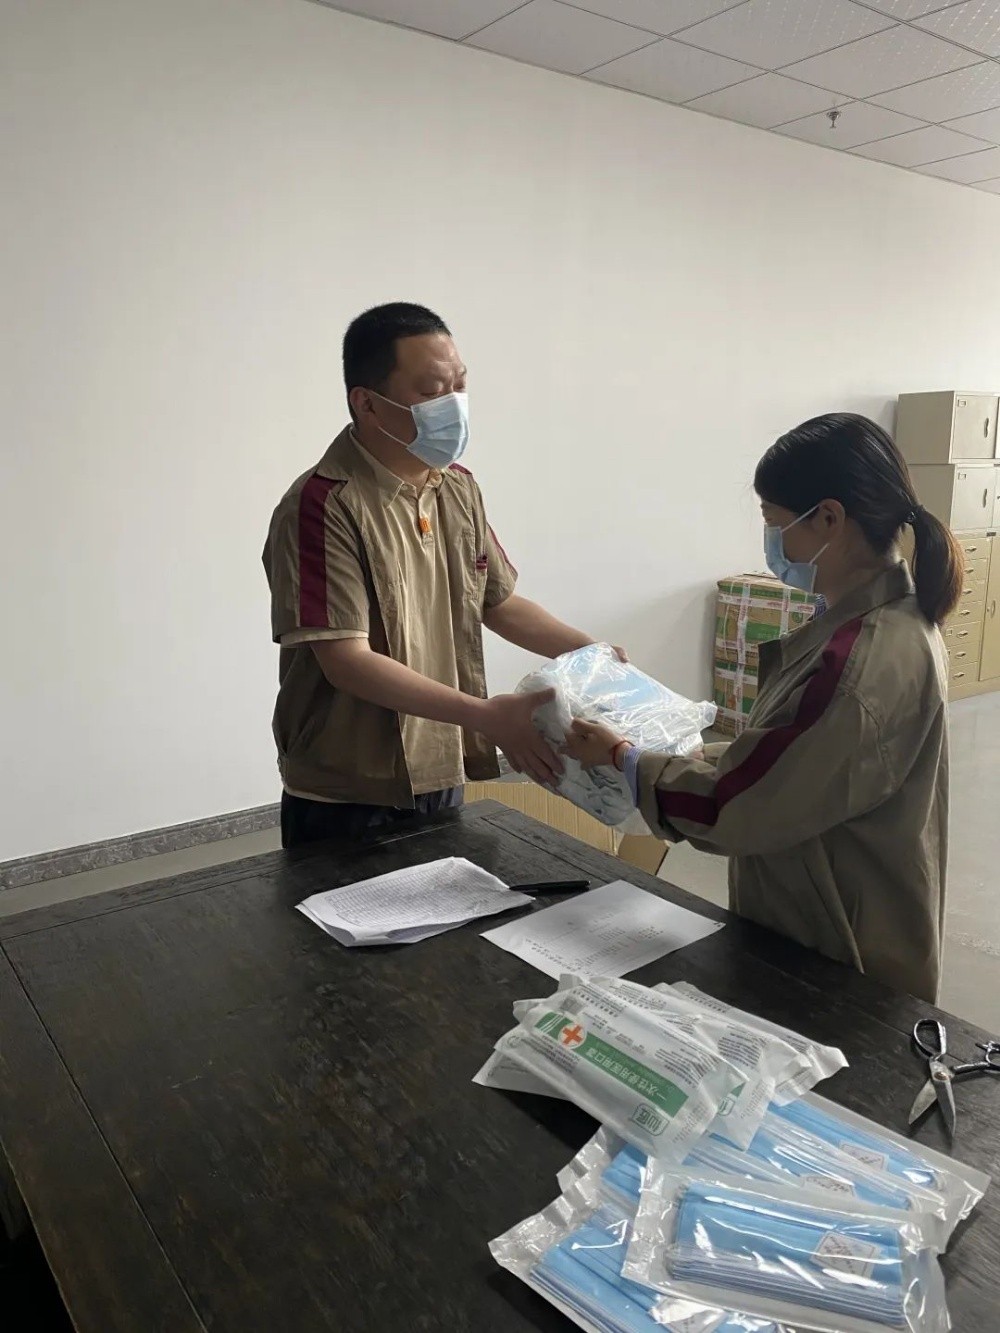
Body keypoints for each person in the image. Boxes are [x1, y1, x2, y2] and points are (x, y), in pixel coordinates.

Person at [567, 413, 963, 1003]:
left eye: (776, 524)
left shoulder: (858, 660)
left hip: (837, 947)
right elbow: (798, 749)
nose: (773, 544)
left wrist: (625, 758)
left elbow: (739, 807)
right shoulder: (888, 622)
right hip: (835, 897)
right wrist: (706, 753)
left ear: (829, 518)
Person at [263, 302, 622, 849]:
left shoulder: (456, 487)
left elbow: (498, 603)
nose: (453, 405)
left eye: (459, 385)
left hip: (440, 761)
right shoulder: (322, 503)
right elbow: (346, 660)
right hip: (350, 784)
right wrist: (486, 716)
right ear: (367, 402)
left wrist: (590, 652)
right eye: (432, 391)